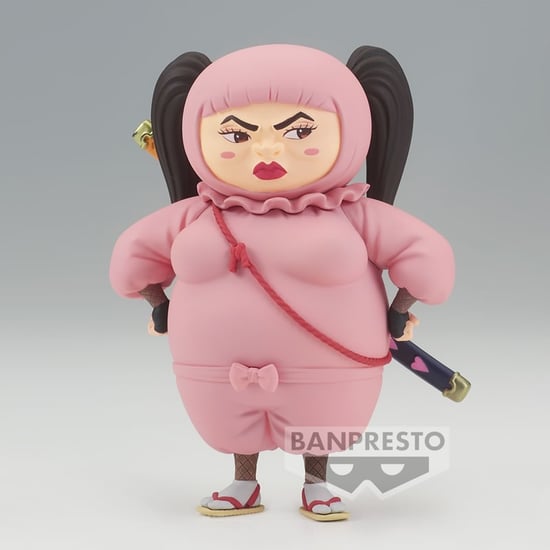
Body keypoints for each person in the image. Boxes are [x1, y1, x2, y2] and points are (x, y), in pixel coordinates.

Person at [110, 44, 454, 521]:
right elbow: (134, 255)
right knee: (231, 420)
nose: (268, 149)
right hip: (216, 369)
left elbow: (425, 255)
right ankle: (243, 481)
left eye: (298, 131)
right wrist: (159, 305)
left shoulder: (352, 215)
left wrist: (398, 312)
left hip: (331, 366)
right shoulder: (197, 214)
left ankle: (317, 483)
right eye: (237, 134)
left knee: (322, 420)